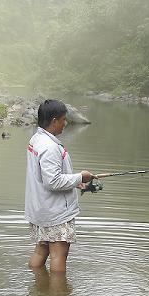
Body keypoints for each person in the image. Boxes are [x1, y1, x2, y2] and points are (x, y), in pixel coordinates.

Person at [25, 99, 95, 272]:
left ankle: (37, 291)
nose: (65, 123)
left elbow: (45, 177)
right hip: (55, 213)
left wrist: (76, 183)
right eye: (63, 119)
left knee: (41, 250)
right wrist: (80, 177)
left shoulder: (36, 139)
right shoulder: (50, 148)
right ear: (54, 120)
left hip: (41, 209)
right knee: (58, 256)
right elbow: (53, 181)